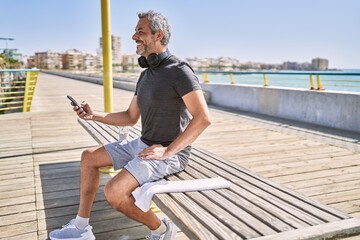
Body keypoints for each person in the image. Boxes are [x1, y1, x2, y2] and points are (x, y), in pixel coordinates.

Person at [49, 10, 211, 240]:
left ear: (159, 35)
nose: (134, 37)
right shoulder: (146, 75)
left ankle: (162, 229)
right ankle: (81, 227)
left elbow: (203, 118)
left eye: (140, 31)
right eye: (135, 32)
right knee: (88, 157)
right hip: (143, 144)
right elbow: (130, 116)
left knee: (114, 192)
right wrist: (94, 115)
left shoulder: (180, 71)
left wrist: (168, 151)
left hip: (169, 154)